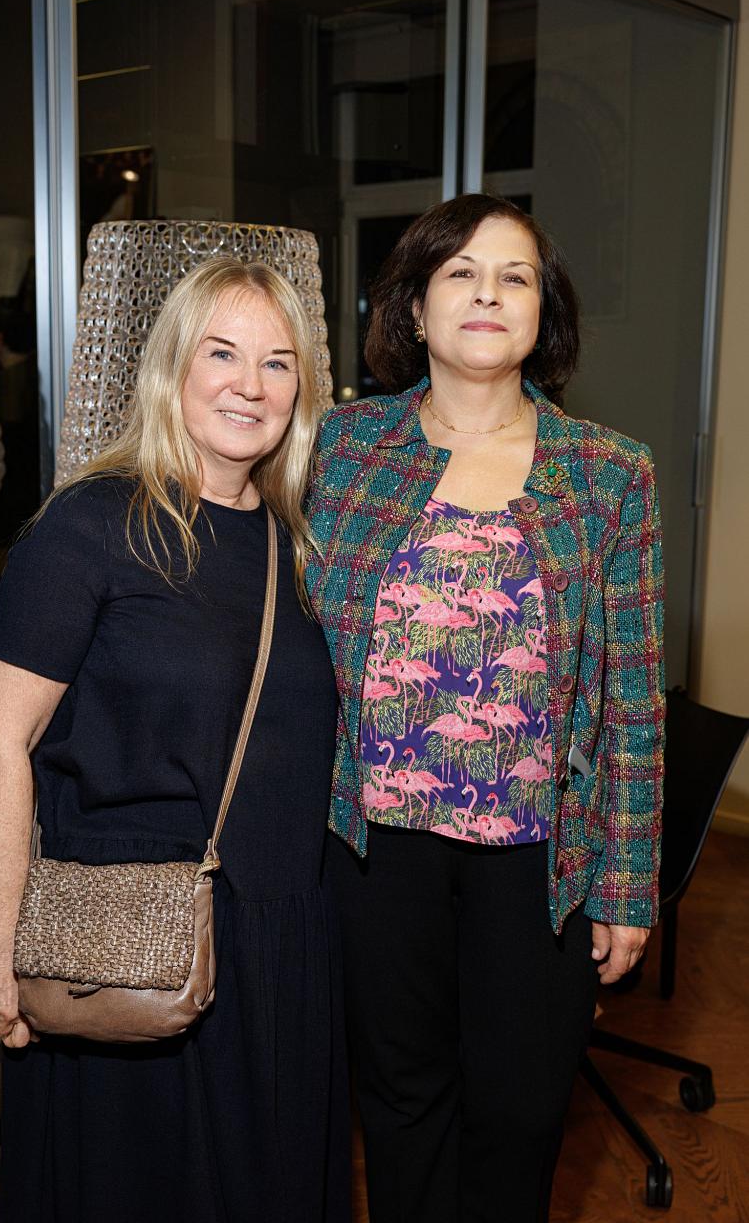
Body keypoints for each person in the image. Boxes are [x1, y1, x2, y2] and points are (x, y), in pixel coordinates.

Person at [0, 258, 350, 1223]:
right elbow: (2, 744)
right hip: (126, 938)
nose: (249, 385)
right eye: (222, 354)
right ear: (171, 366)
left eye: (277, 362)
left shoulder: (298, 543)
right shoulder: (90, 526)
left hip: (279, 944)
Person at [306, 193, 665, 1223]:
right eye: (459, 272)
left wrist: (628, 885)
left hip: (538, 860)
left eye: (514, 277)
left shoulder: (609, 473)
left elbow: (634, 700)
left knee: (519, 1112)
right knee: (399, 1103)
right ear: (413, 306)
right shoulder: (339, 446)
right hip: (373, 849)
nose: (487, 293)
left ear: (543, 313)